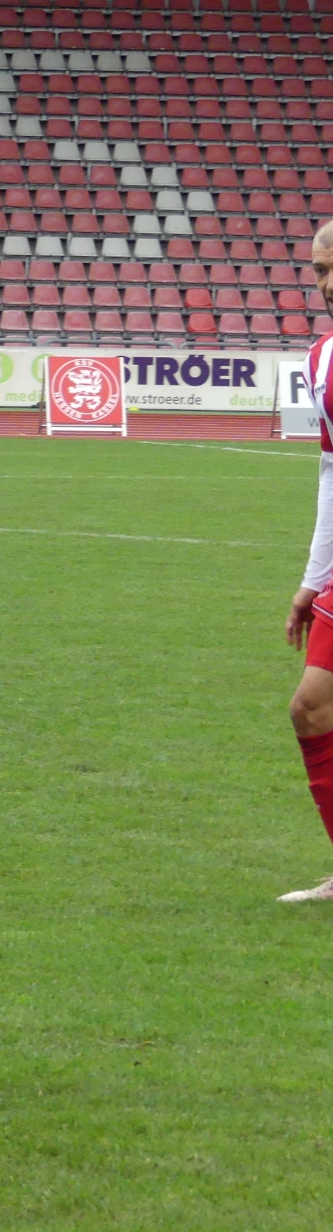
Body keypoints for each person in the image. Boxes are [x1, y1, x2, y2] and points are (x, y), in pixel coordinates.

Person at [280, 222, 333, 901]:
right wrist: (313, 581)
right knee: (312, 709)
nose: (327, 283)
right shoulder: (321, 359)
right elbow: (331, 472)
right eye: (320, 270)